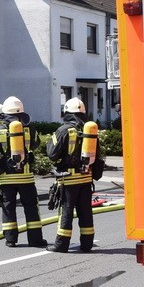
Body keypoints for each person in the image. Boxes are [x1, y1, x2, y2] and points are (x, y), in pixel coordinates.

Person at [0, 96, 47, 248]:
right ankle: (35, 239)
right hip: (26, 177)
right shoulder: (30, 129)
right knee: (31, 208)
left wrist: (0, 167)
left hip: (7, 179)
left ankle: (10, 239)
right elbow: (37, 143)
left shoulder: (0, 131)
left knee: (8, 208)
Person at [46, 97, 97, 252]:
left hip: (68, 178)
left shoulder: (63, 130)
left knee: (66, 212)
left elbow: (52, 153)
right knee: (85, 212)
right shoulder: (90, 130)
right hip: (86, 177)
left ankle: (61, 245)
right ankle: (87, 244)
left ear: (67, 112)